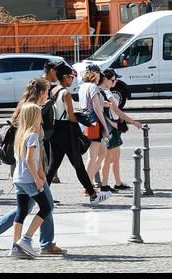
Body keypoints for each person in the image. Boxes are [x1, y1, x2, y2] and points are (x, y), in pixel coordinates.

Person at [0, 82, 66, 257]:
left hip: (25, 171)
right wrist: (37, 175)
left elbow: (19, 145)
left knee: (24, 209)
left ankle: (7, 241)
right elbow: (28, 152)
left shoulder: (26, 111)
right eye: (47, 91)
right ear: (42, 92)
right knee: (46, 206)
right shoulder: (31, 113)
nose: (49, 94)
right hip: (30, 171)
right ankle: (37, 242)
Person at [45, 64, 105, 204]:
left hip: (55, 129)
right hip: (67, 130)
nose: (72, 80)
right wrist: (80, 117)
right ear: (65, 77)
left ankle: (44, 196)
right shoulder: (65, 93)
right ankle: (92, 194)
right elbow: (71, 116)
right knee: (78, 164)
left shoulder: (54, 90)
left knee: (53, 166)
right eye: (71, 77)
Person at [6, 102, 52, 260]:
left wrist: (41, 171)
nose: (41, 118)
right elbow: (29, 160)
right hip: (28, 179)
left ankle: (14, 247)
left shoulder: (21, 134)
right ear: (34, 117)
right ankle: (26, 239)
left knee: (22, 211)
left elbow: (34, 157)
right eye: (39, 115)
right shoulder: (32, 135)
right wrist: (37, 179)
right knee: (46, 208)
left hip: (19, 179)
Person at [98, 69, 143, 191]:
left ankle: (117, 182)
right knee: (107, 158)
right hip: (111, 127)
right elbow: (116, 111)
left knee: (115, 157)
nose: (115, 81)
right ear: (106, 79)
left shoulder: (106, 91)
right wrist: (133, 122)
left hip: (114, 126)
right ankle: (104, 184)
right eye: (113, 79)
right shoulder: (106, 93)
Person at [78, 66, 116, 194]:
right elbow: (96, 109)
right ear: (94, 74)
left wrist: (102, 103)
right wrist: (105, 126)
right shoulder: (93, 87)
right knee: (93, 156)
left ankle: (89, 183)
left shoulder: (83, 86)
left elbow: (88, 104)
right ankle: (88, 185)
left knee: (101, 153)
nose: (100, 77)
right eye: (99, 74)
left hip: (85, 122)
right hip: (94, 124)